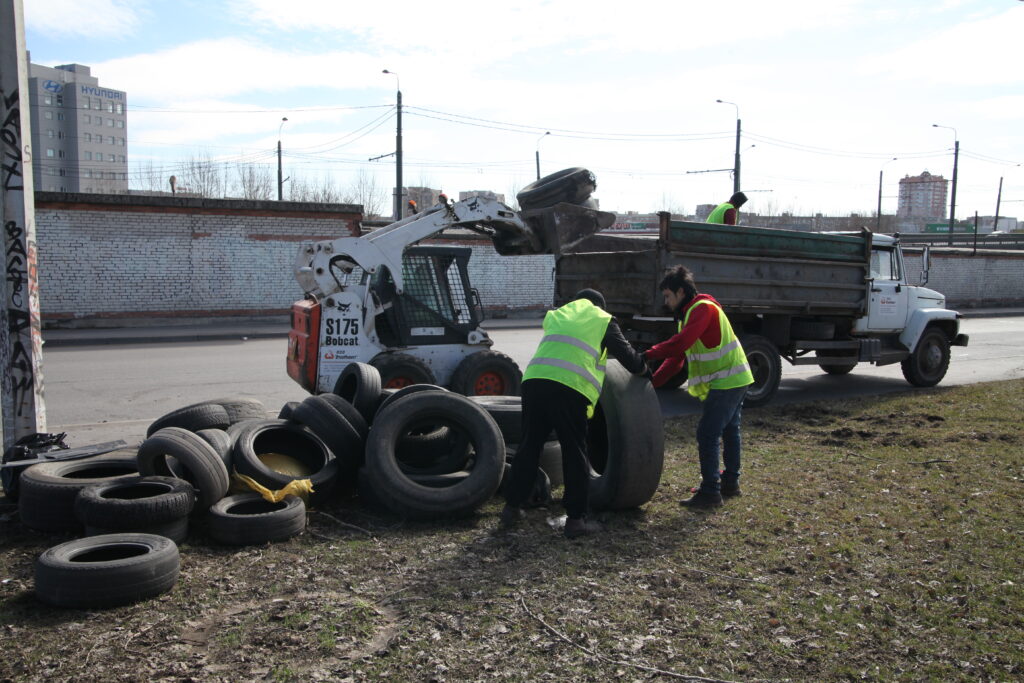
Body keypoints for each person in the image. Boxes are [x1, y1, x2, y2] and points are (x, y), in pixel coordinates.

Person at [501, 288, 650, 538]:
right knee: (574, 450)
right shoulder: (603, 319)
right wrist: (644, 369)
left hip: (535, 381)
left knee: (529, 445)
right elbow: (626, 356)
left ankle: (511, 508)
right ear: (599, 305)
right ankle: (576, 520)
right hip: (569, 388)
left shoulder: (557, 315)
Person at [644, 266, 753, 508]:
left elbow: (680, 344)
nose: (666, 301)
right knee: (729, 430)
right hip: (736, 378)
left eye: (667, 296)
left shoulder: (702, 308)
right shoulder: (692, 315)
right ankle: (730, 483)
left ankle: (711, 492)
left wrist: (648, 353)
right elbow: (676, 359)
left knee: (708, 433)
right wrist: (652, 383)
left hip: (727, 381)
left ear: (680, 292)